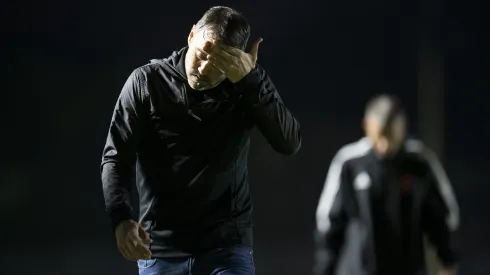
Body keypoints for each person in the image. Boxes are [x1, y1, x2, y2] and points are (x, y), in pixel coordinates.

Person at [100, 6, 301, 275]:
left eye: (218, 62)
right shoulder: (147, 82)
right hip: (160, 250)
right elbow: (116, 157)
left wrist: (251, 81)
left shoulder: (245, 86)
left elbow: (289, 142)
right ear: (191, 35)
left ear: (237, 59)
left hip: (227, 247)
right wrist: (121, 218)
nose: (205, 68)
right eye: (203, 54)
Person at [313, 94, 459, 275]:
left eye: (391, 136)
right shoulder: (350, 163)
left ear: (402, 128)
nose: (385, 144)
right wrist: (324, 269)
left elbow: (442, 217)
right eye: (380, 135)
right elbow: (329, 223)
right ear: (367, 126)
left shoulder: (420, 163)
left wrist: (447, 260)